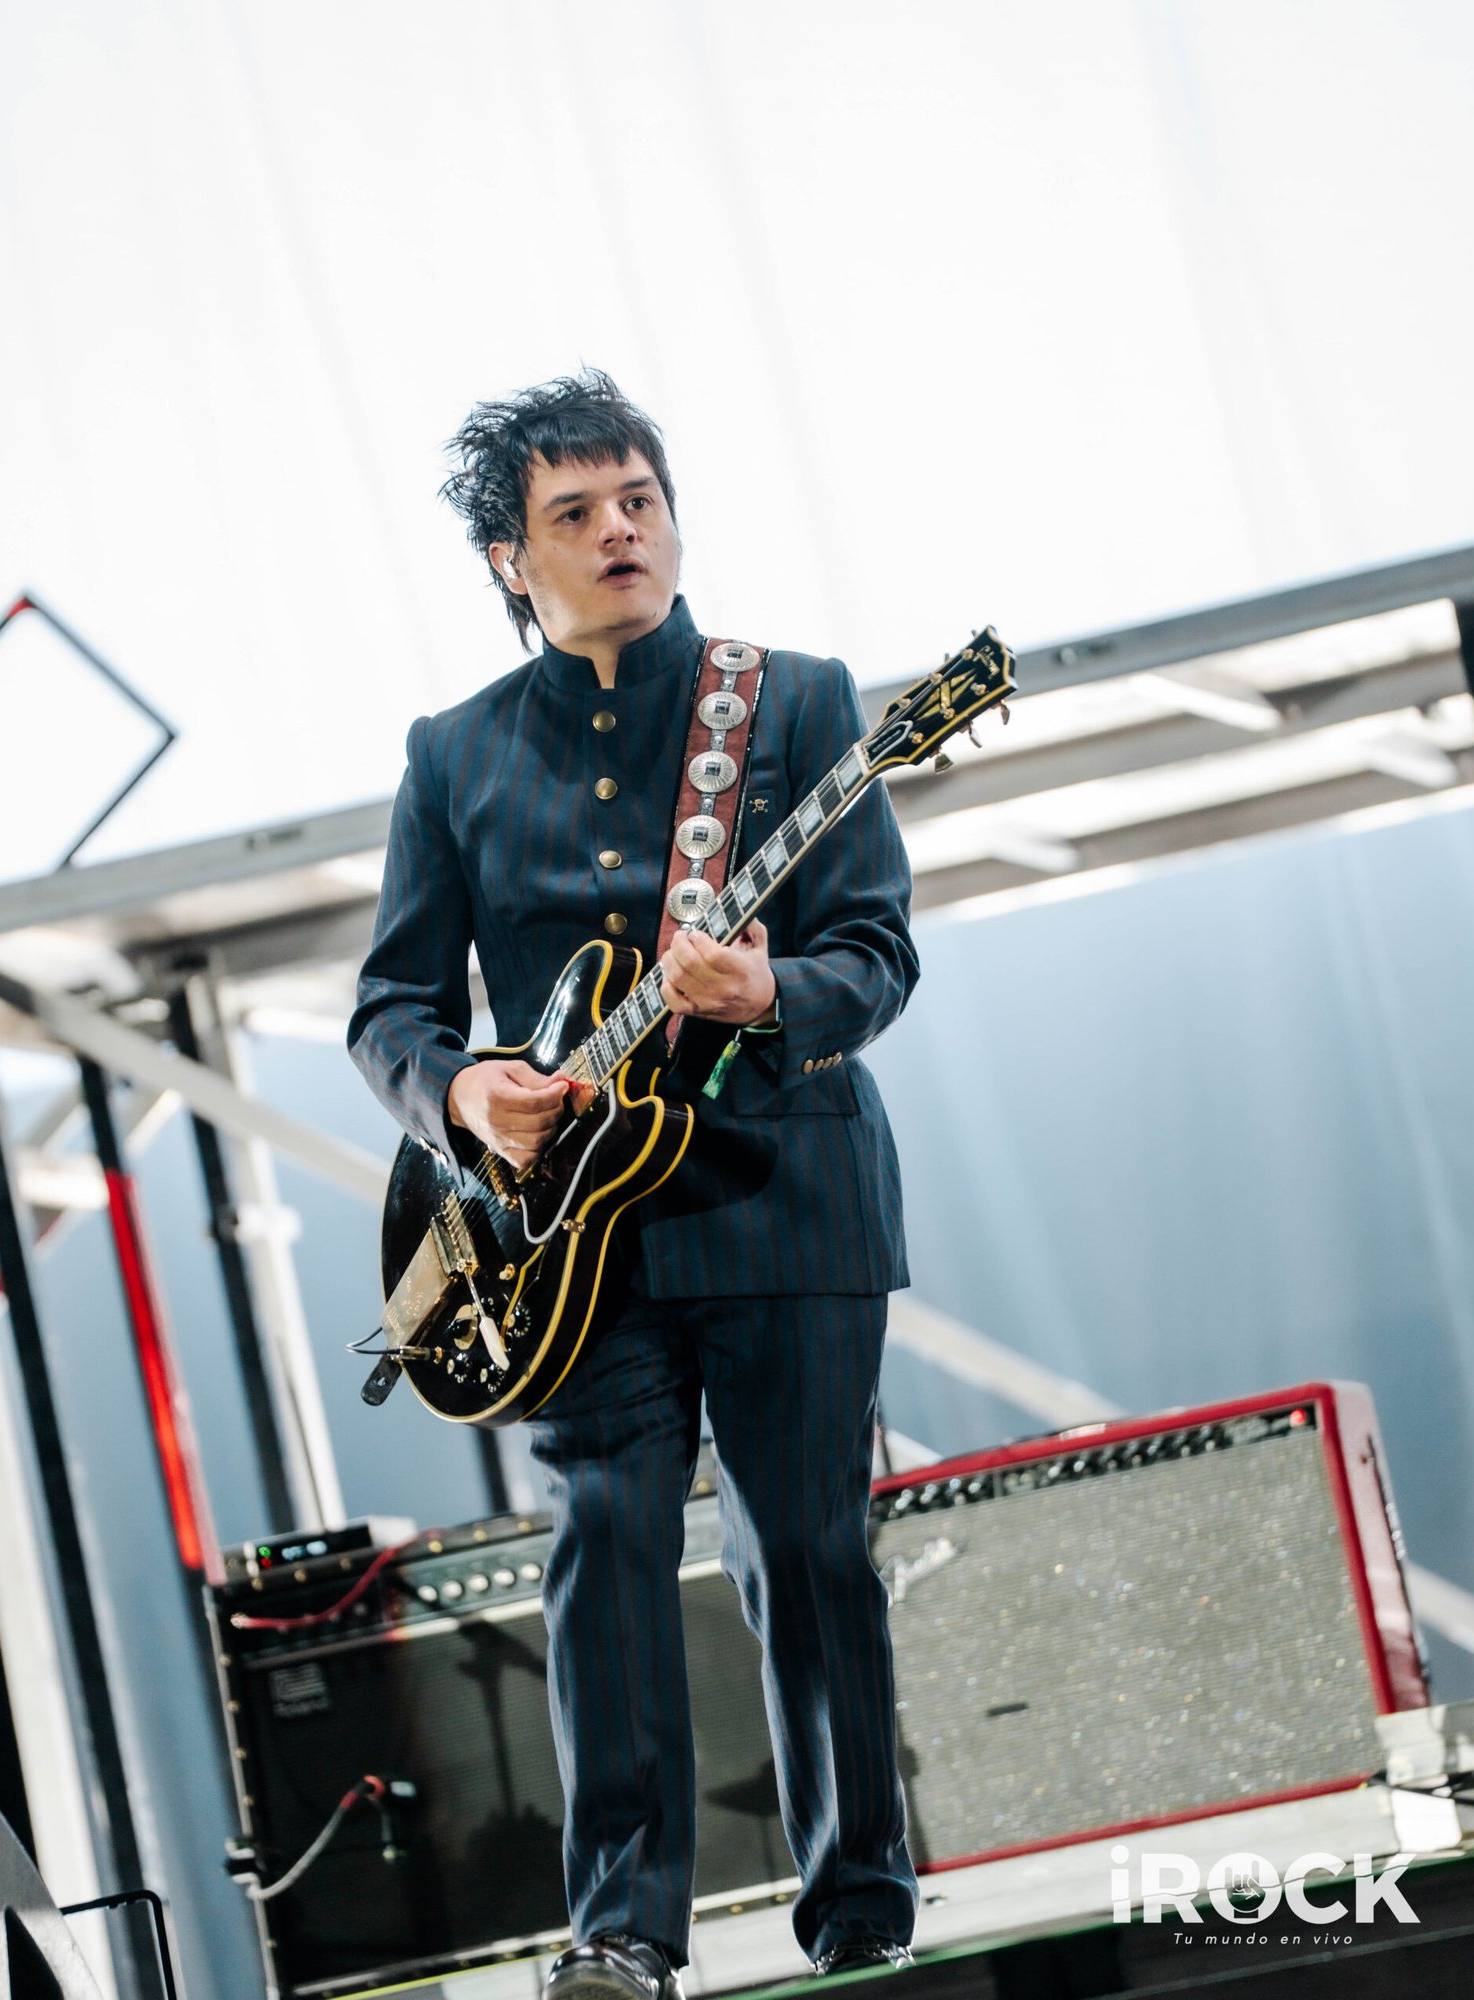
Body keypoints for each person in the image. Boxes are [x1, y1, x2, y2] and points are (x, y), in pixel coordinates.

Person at [349, 370, 919, 1995]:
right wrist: (465, 1091)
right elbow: (391, 1010)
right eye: (577, 512)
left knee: (805, 1549)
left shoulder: (794, 700)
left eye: (641, 500)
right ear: (508, 561)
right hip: (561, 1241)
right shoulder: (454, 754)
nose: (621, 530)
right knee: (601, 1556)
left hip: (787, 1195)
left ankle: (859, 1911)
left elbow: (876, 951)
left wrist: (774, 992)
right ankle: (619, 1937)